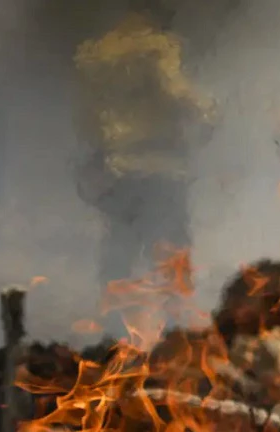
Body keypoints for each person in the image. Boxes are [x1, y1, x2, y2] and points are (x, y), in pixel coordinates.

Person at [73, 10, 214, 296]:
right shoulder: (154, 49)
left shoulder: (98, 55)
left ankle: (112, 321)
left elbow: (87, 120)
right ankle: (176, 325)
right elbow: (176, 92)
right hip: (161, 168)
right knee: (170, 250)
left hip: (118, 168)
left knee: (120, 247)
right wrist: (209, 114)